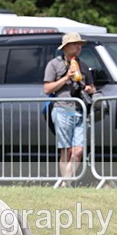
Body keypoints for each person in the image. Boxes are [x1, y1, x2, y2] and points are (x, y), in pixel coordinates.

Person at [43, 32, 95, 183]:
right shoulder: (54, 64)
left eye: (80, 45)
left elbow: (92, 86)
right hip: (62, 108)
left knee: (78, 150)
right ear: (65, 47)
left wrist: (90, 89)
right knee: (66, 150)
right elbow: (47, 89)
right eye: (75, 44)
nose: (79, 47)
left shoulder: (83, 65)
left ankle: (66, 181)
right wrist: (66, 77)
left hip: (80, 110)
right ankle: (66, 183)